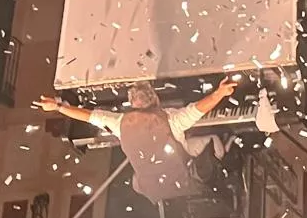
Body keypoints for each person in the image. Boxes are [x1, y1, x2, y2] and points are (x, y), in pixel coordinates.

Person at [33, 77, 238, 202]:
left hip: (151, 187)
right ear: (156, 99)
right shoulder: (172, 120)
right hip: (179, 179)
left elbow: (87, 115)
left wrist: (58, 107)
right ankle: (223, 155)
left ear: (130, 104)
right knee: (208, 140)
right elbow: (199, 108)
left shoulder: (120, 122)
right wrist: (220, 92)